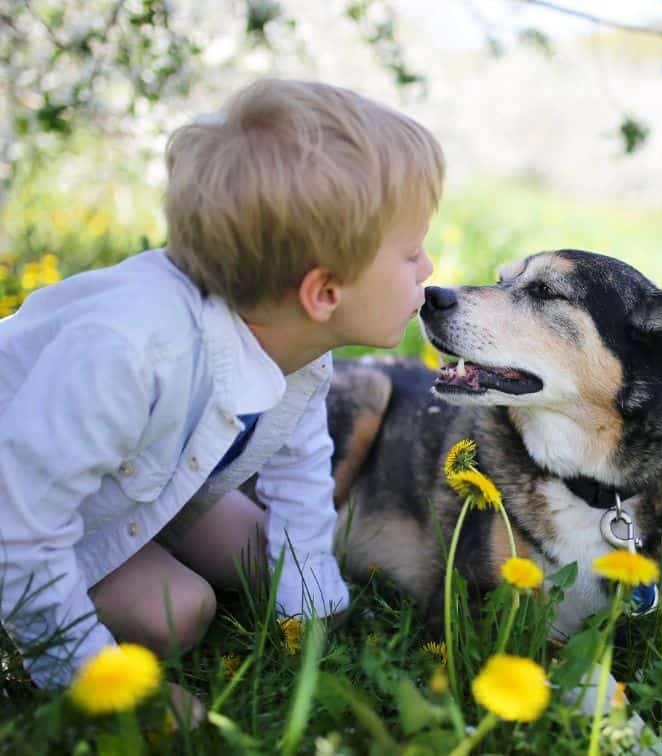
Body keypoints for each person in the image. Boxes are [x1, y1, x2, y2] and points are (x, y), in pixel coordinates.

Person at [0, 78, 443, 718]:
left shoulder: (296, 346)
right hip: (22, 509)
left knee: (270, 556)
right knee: (179, 613)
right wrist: (93, 682)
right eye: (410, 252)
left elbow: (300, 473)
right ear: (323, 293)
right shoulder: (128, 349)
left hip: (129, 488)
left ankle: (159, 559)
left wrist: (312, 612)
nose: (427, 268)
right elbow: (20, 526)